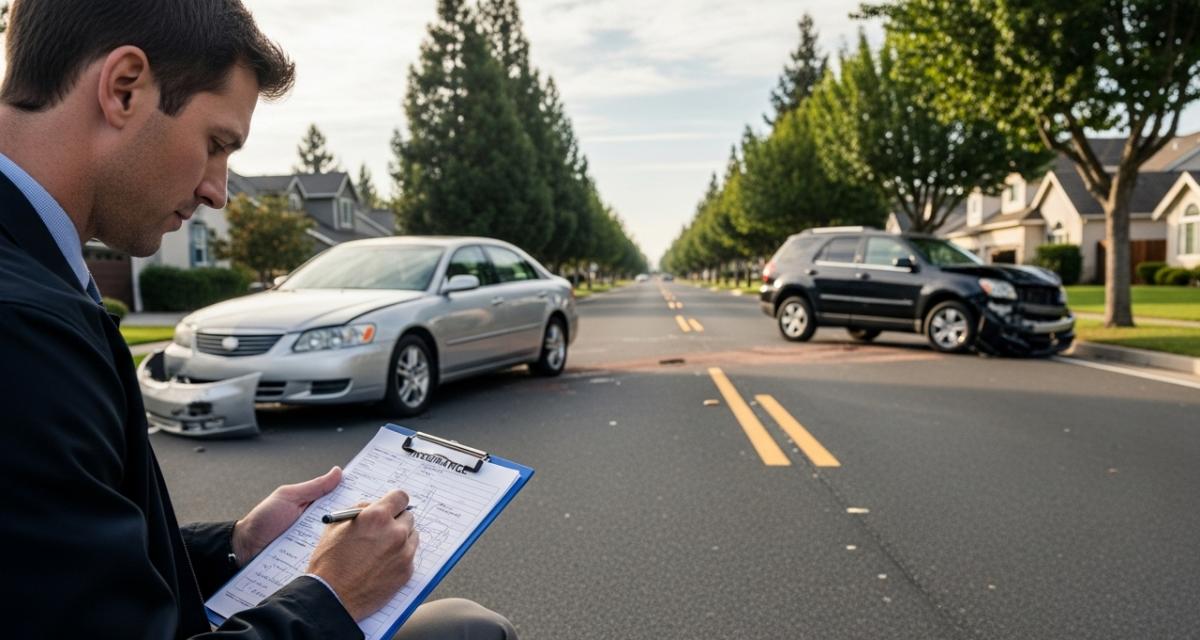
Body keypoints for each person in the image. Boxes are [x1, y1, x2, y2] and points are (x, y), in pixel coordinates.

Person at [0, 1, 516, 638]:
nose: (218, 188)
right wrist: (329, 595)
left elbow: (69, 573)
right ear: (124, 87)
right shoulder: (23, 331)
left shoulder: (34, 277)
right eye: (216, 144)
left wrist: (238, 544)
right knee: (466, 629)